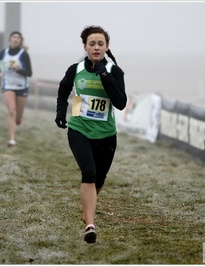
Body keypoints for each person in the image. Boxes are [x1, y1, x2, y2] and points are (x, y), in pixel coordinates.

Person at [55, 25, 127, 243]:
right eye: (92, 43)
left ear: (106, 47)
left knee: (99, 179)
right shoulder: (76, 69)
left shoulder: (114, 71)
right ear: (85, 46)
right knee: (89, 173)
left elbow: (121, 103)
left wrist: (104, 75)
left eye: (100, 43)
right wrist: (60, 111)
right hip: (79, 128)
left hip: (106, 133)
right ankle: (90, 225)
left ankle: (88, 209)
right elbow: (63, 88)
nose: (96, 47)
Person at [0, 31, 32, 146]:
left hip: (21, 86)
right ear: (10, 39)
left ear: (20, 41)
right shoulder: (3, 53)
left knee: (18, 116)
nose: (15, 39)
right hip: (8, 85)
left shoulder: (23, 54)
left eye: (18, 38)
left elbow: (29, 73)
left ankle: (18, 119)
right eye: (14, 37)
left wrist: (17, 69)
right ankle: (12, 139)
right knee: (11, 111)